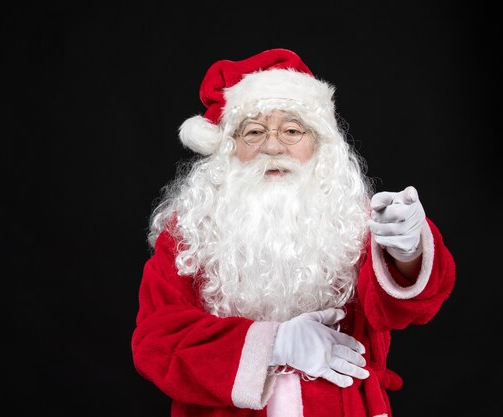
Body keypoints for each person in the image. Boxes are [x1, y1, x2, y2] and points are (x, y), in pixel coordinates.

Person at [131, 48, 455, 417]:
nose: (273, 146)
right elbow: (156, 343)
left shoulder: (353, 220)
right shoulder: (190, 234)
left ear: (318, 144)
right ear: (229, 148)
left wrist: (407, 251)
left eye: (292, 130)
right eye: (253, 132)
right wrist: (273, 345)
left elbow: (400, 310)